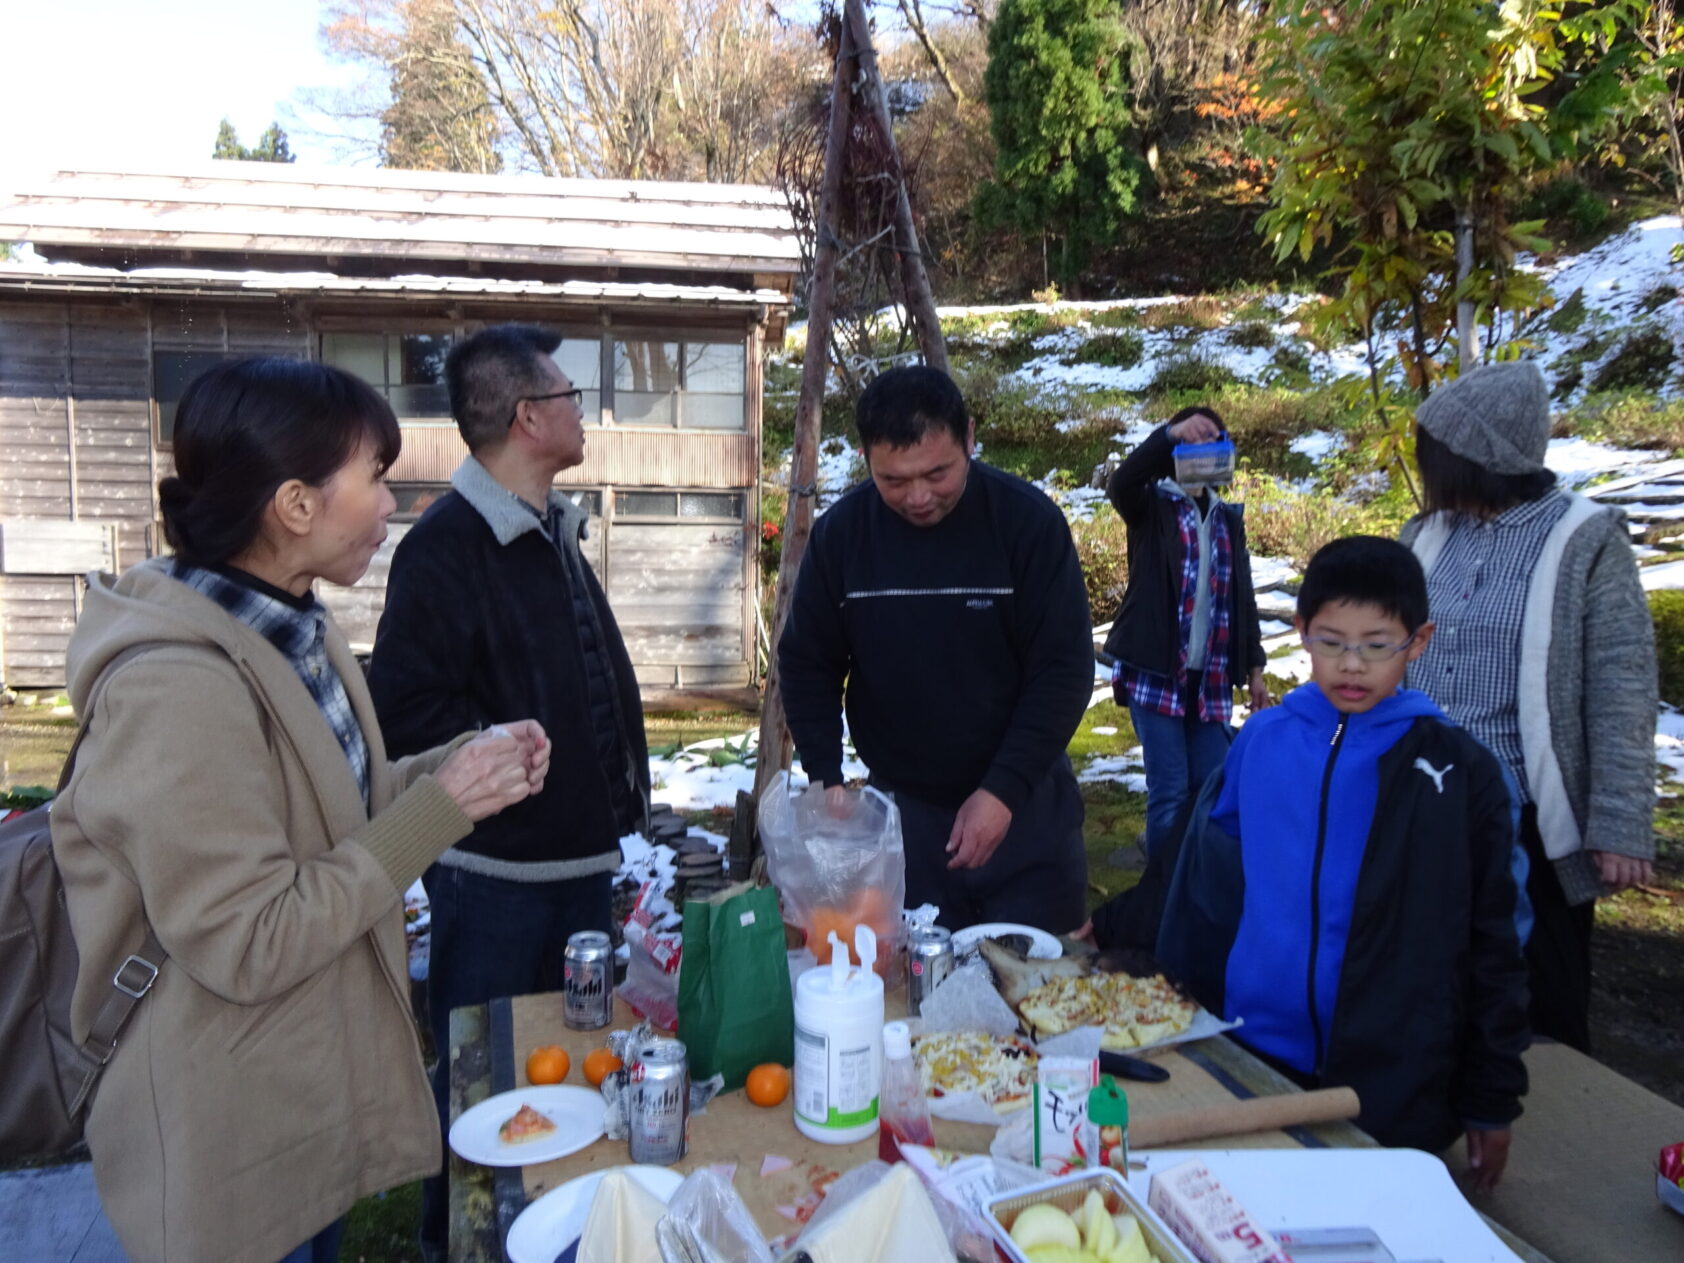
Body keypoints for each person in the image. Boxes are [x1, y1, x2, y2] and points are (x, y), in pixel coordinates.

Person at [50, 358, 548, 1263]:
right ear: (295, 505)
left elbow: (339, 813)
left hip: (299, 1096)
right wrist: (440, 810)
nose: (395, 506)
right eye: (378, 479)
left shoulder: (294, 626)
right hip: (227, 1137)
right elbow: (254, 933)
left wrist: (461, 765)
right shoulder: (177, 687)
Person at [366, 323, 649, 1260]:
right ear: (530, 418)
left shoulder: (545, 527)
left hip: (574, 871)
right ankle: (459, 1248)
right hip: (495, 885)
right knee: (483, 1105)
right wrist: (491, 751)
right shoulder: (448, 548)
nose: (583, 413)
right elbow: (404, 711)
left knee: (572, 1083)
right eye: (569, 397)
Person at [1154, 536, 1529, 1190]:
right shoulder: (1263, 740)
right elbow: (1204, 873)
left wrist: (1491, 1094)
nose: (1351, 664)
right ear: (1300, 632)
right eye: (1330, 641)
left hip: (1393, 1076)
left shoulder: (1459, 772)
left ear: (1420, 640)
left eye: (1377, 643)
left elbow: (1495, 940)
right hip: (1253, 1048)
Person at [778, 364, 1095, 933]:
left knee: (1046, 996)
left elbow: (1064, 670)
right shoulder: (843, 537)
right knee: (913, 995)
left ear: (970, 437)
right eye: (894, 481)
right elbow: (807, 662)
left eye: (938, 473)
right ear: (865, 457)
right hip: (907, 819)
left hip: (1027, 809)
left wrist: (1002, 791)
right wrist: (825, 774)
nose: (918, 497)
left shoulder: (1027, 524)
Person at [1402, 361, 1657, 1052]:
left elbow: (1621, 679)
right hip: (1426, 802)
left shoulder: (1584, 538)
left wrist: (1620, 820)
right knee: (1432, 976)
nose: (1430, 472)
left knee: (1541, 990)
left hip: (1529, 813)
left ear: (1483, 457)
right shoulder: (1425, 536)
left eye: (1440, 456)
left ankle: (1558, 1135)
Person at [1103, 405, 1269, 860]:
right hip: (1157, 675)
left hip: (1211, 677)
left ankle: (1196, 885)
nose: (1202, 451)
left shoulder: (1226, 518)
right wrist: (1168, 433)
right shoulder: (1151, 507)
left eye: (1212, 442)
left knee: (1210, 786)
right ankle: (1161, 900)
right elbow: (1121, 483)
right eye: (1192, 442)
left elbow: (1243, 598)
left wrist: (1255, 667)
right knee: (1170, 790)